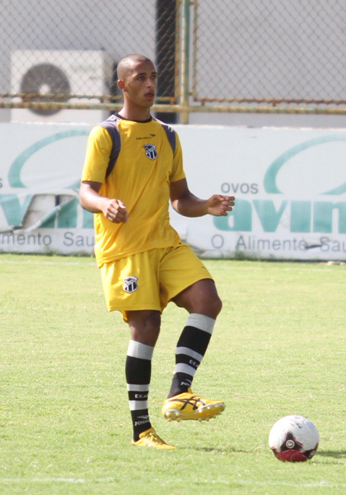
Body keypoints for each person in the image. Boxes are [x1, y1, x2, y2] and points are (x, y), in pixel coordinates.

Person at [79, 54, 235, 450]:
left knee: (207, 299)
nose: (150, 84)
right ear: (123, 85)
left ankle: (179, 394)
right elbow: (85, 191)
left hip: (164, 243)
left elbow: (180, 199)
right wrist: (104, 205)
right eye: (141, 77)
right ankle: (141, 430)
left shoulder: (167, 135)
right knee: (146, 325)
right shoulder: (106, 134)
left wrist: (207, 206)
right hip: (124, 249)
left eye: (153, 77)